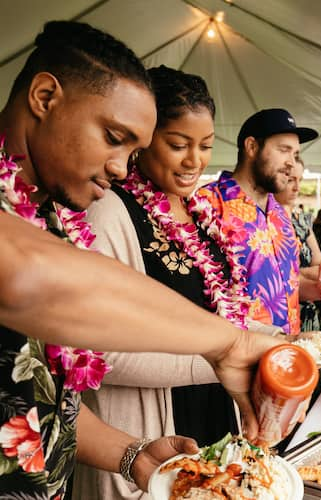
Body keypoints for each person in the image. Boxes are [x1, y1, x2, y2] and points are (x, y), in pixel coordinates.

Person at [0, 21, 284, 497]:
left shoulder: (49, 213)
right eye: (114, 137)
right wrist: (228, 345)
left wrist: (130, 454)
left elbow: (34, 396)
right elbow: (29, 277)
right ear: (45, 96)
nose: (119, 167)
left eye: (132, 150)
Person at [73, 66, 281, 499]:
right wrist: (222, 359)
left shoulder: (200, 215)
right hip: (147, 431)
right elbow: (97, 352)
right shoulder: (110, 211)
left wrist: (276, 340)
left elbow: (223, 319)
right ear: (144, 138)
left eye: (205, 146)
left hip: (210, 415)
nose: (194, 161)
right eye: (177, 144)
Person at [197, 108, 321, 335]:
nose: (291, 163)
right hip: (235, 360)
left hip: (289, 355)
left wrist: (319, 290)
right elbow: (196, 300)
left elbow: (286, 285)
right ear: (251, 147)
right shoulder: (207, 206)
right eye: (284, 150)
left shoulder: (280, 214)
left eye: (295, 154)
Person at [276, 157, 321, 331]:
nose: (297, 187)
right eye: (291, 180)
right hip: (280, 313)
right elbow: (275, 275)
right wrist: (310, 272)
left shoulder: (301, 219)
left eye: (300, 180)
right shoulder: (263, 220)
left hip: (307, 309)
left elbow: (319, 262)